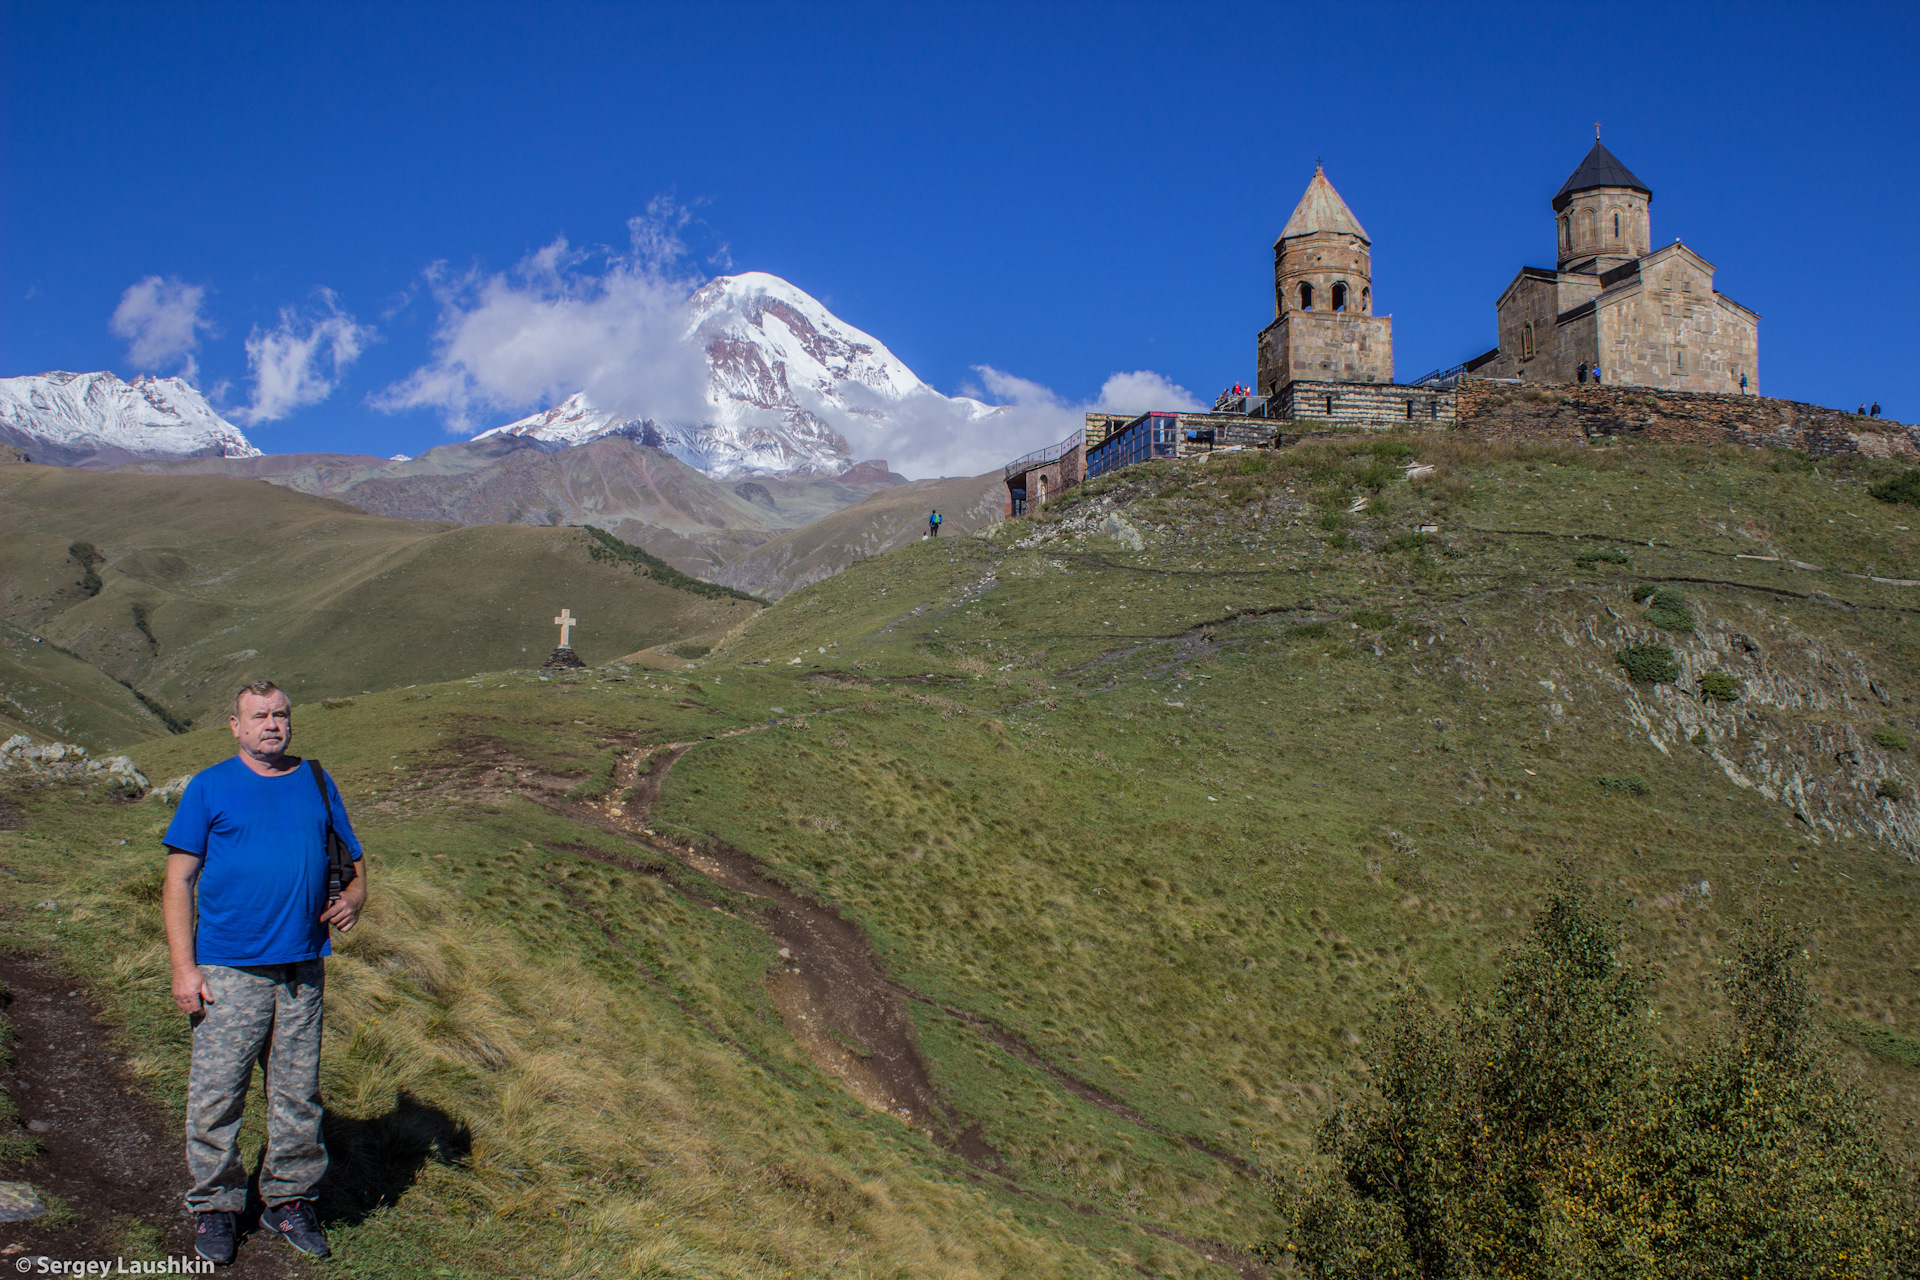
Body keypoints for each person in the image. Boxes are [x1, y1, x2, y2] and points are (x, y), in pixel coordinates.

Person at [163, 680, 367, 1265]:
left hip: (303, 966)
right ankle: (216, 1207)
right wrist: (184, 968)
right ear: (235, 725)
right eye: (258, 716)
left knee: (297, 1093)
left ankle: (288, 1199)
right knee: (217, 1094)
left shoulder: (318, 781)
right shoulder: (210, 787)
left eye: (280, 714)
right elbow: (177, 880)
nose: (271, 724)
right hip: (228, 967)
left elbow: (356, 868)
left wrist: (356, 899)